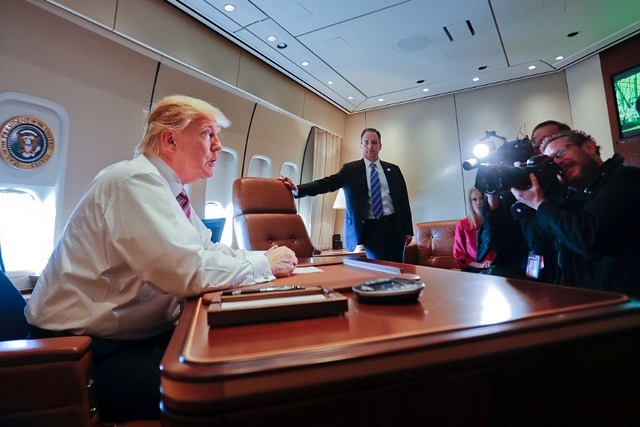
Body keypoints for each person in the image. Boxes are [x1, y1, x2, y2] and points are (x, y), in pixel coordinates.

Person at [24, 95, 297, 423]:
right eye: (208, 134)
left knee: (241, 352)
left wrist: (261, 257)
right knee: (225, 391)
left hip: (130, 337)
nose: (218, 146)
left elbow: (207, 248)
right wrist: (264, 265)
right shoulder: (133, 182)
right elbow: (189, 272)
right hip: (86, 352)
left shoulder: (170, 191)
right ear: (170, 139)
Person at [511, 129, 640, 297]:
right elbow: (541, 247)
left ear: (589, 147)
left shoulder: (626, 179)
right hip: (588, 303)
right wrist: (527, 204)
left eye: (561, 152)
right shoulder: (571, 198)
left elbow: (588, 237)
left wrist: (540, 204)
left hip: (625, 306)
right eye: (552, 161)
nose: (558, 162)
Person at [280, 128, 413, 262]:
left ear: (380, 146)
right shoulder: (351, 170)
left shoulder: (393, 170)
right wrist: (298, 189)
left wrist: (408, 230)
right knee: (379, 265)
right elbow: (327, 184)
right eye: (366, 143)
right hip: (370, 228)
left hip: (394, 226)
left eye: (374, 143)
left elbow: (403, 201)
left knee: (398, 266)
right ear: (361, 146)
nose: (370, 146)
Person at [476, 120, 570, 281]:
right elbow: (498, 243)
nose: (537, 146)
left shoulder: (568, 184)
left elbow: (552, 242)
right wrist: (493, 195)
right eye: (534, 142)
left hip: (559, 274)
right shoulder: (517, 185)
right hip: (519, 274)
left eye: (546, 140)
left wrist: (533, 203)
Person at [453, 188, 497, 272]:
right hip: (474, 268)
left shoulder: (494, 221)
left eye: (481, 198)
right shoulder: (462, 225)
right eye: (474, 199)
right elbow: (459, 256)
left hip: (495, 267)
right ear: (470, 203)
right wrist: (480, 265)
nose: (478, 203)